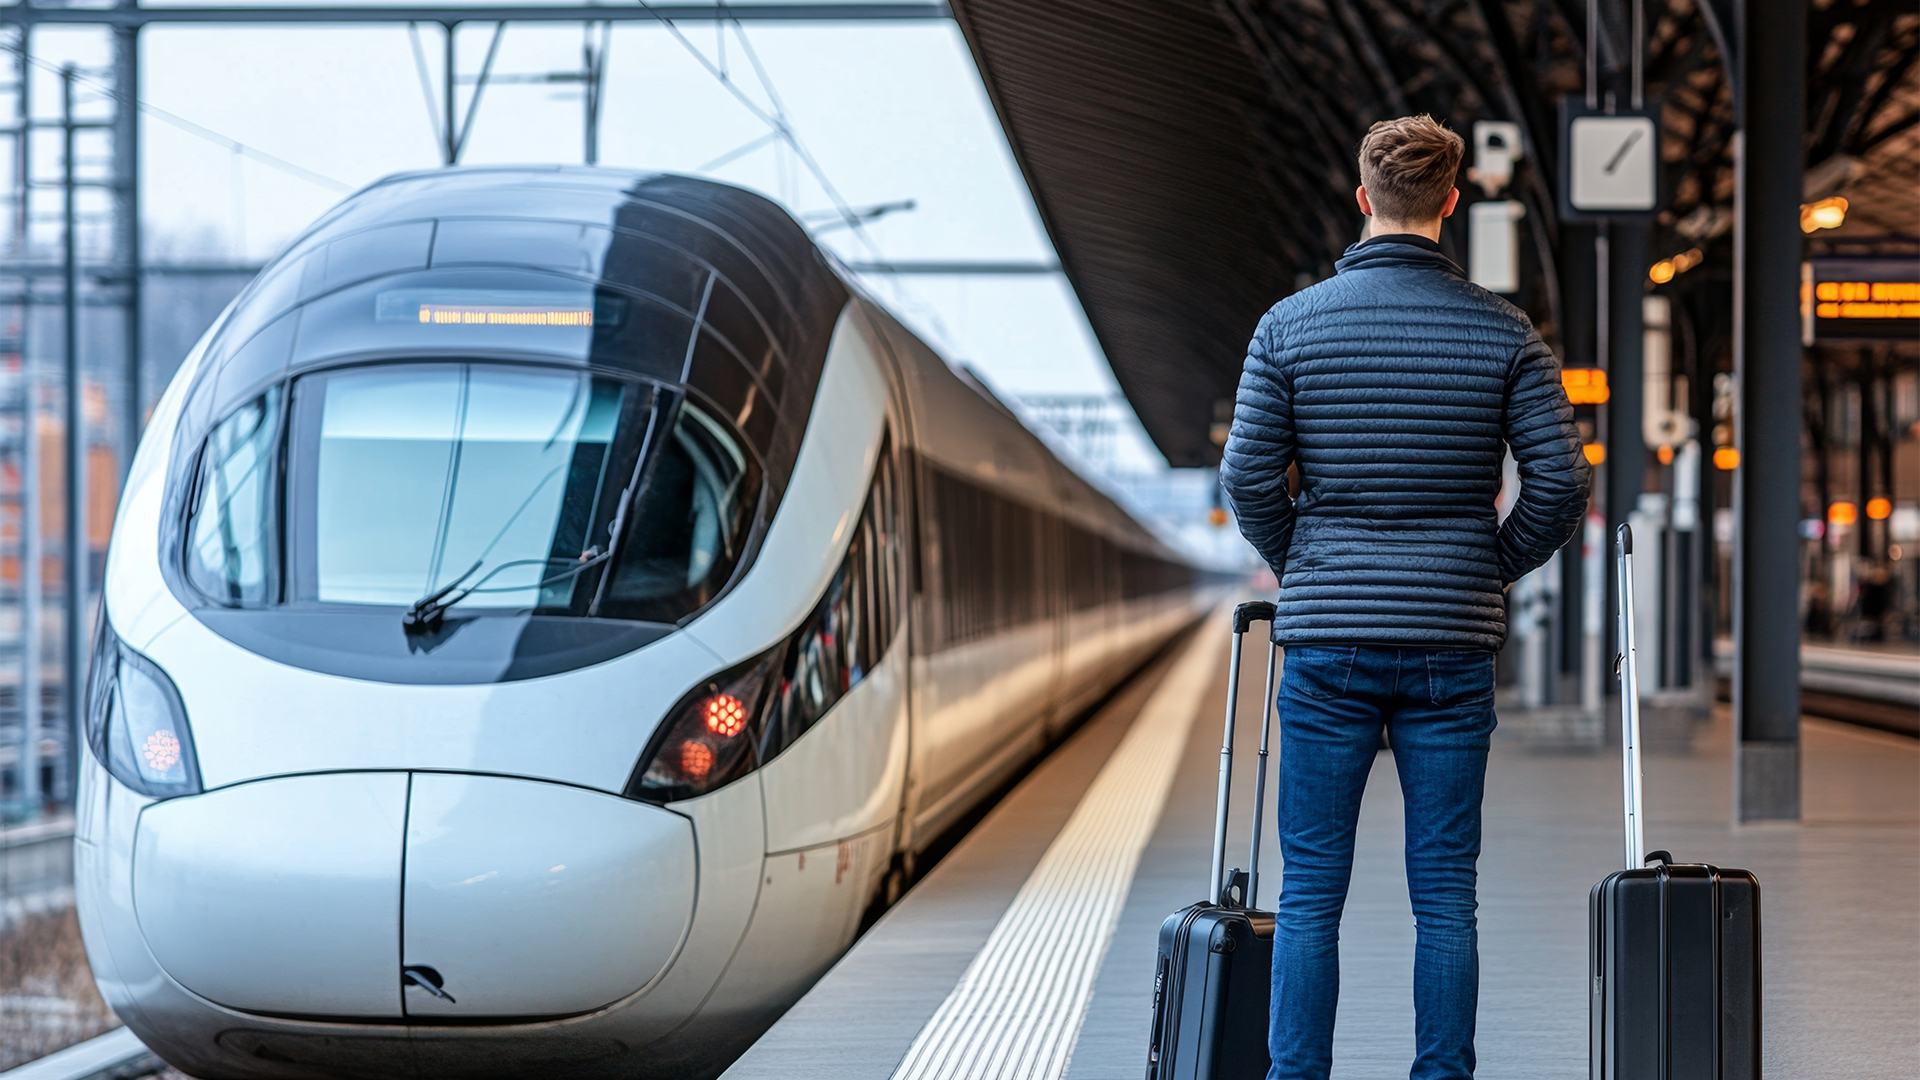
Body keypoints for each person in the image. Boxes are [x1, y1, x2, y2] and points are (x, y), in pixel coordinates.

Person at [1219, 114, 1590, 1080]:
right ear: (1451, 204)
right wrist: (1488, 568)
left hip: (1328, 644)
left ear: (1363, 199)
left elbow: (1248, 477)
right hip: (1449, 647)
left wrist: (1305, 564)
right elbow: (1561, 483)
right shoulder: (1504, 331)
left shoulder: (1288, 326)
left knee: (1309, 897)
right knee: (1446, 899)